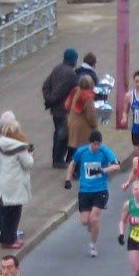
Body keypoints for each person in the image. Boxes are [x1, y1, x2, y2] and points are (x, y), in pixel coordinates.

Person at [68, 130, 122, 258]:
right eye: (94, 144)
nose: (96, 147)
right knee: (85, 221)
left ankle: (93, 245)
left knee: (94, 218)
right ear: (90, 143)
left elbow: (117, 166)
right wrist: (67, 180)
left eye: (98, 144)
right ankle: (91, 227)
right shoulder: (82, 151)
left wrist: (103, 170)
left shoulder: (104, 151)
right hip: (85, 191)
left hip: (100, 190)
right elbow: (72, 164)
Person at [0, 113, 35, 249]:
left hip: (3, 181)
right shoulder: (20, 147)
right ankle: (9, 240)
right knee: (14, 213)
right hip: (16, 182)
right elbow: (28, 164)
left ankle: (8, 237)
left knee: (5, 211)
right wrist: (30, 155)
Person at [42, 49, 80, 168]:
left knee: (59, 132)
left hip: (56, 109)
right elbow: (61, 91)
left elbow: (46, 86)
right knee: (63, 135)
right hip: (65, 110)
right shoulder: (71, 74)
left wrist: (49, 99)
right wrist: (52, 99)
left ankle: (58, 158)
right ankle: (58, 160)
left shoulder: (57, 68)